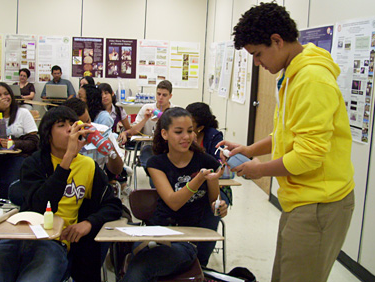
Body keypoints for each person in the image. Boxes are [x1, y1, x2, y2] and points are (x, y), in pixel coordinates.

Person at [220, 3, 355, 282]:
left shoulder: (311, 79)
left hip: (320, 202)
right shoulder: (293, 74)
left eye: (257, 54)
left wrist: (259, 170)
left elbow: (308, 156)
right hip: (300, 200)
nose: (257, 62)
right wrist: (250, 150)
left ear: (277, 41)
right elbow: (287, 133)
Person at [0, 106, 123, 282]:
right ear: (48, 135)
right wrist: (68, 158)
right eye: (61, 125)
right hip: (18, 238)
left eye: (72, 123)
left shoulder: (88, 166)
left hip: (53, 244)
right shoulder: (34, 163)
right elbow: (40, 206)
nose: (70, 129)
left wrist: (88, 223)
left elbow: (113, 205)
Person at [121, 108, 227, 281]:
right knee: (142, 263)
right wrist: (198, 179)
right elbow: (173, 202)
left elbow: (214, 204)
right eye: (178, 132)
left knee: (141, 267)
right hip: (156, 232)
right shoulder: (156, 163)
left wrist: (220, 207)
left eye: (190, 131)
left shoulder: (207, 162)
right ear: (164, 134)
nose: (186, 137)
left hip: (186, 241)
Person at [186, 102, 230, 266]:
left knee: (213, 209)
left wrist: (198, 149)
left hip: (215, 185)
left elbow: (221, 167)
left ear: (200, 127)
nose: (186, 125)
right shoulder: (183, 135)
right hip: (189, 184)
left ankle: (201, 262)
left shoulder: (213, 137)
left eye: (191, 123)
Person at [118, 80, 176, 173]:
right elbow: (134, 131)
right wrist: (145, 119)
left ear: (170, 96)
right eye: (158, 94)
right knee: (152, 165)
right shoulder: (147, 108)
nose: (160, 97)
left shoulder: (175, 110)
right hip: (150, 146)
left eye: (164, 95)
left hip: (169, 147)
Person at [62, 97, 124, 176]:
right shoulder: (62, 137)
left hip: (95, 183)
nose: (87, 127)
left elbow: (117, 170)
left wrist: (110, 146)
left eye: (88, 121)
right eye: (81, 126)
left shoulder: (102, 131)